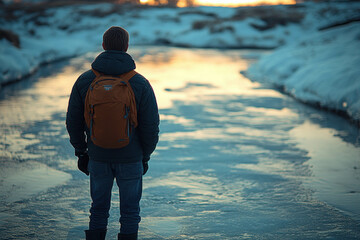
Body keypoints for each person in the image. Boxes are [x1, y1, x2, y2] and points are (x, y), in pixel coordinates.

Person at [66, 26, 159, 240]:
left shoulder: (84, 80)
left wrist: (82, 152)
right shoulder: (139, 83)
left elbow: (73, 122)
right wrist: (145, 155)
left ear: (103, 46)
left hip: (97, 157)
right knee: (130, 212)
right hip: (131, 158)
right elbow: (150, 126)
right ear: (126, 47)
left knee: (98, 210)